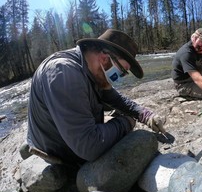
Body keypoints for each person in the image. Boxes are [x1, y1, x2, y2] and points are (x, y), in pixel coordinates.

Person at [27, 29, 165, 166]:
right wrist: (127, 122)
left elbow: (115, 99)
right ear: (105, 59)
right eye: (122, 72)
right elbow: (89, 146)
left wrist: (144, 114)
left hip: (67, 136)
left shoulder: (91, 68)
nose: (120, 78)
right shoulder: (64, 72)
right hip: (57, 150)